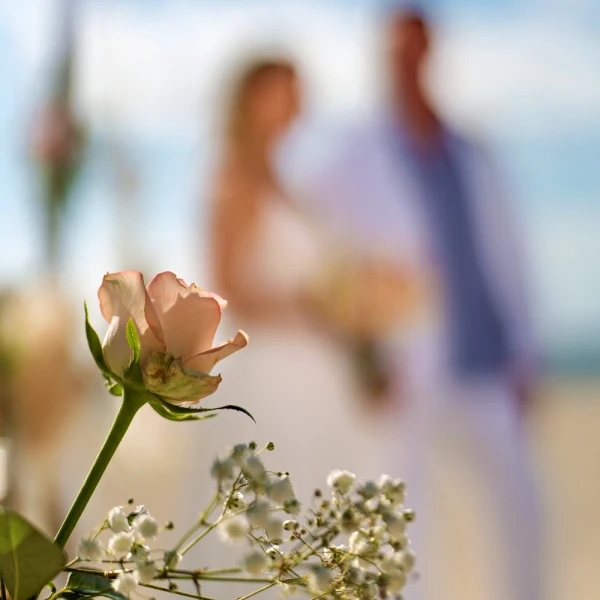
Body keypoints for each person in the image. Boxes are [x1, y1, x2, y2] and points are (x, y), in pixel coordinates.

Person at [277, 8, 541, 600]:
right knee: (406, 525)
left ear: (431, 52)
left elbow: (510, 254)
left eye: (415, 49)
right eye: (394, 51)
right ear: (384, 57)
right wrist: (358, 340)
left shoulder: (473, 152)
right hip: (407, 370)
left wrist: (528, 348)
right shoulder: (354, 153)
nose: (405, 61)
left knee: (521, 512)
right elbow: (305, 237)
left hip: (489, 364)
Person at [183, 58, 386, 596]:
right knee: (266, 525)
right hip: (269, 374)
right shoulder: (233, 172)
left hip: (315, 372)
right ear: (252, 97)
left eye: (300, 93)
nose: (298, 105)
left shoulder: (284, 178)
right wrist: (310, 306)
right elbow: (225, 284)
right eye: (286, 92)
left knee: (320, 519)